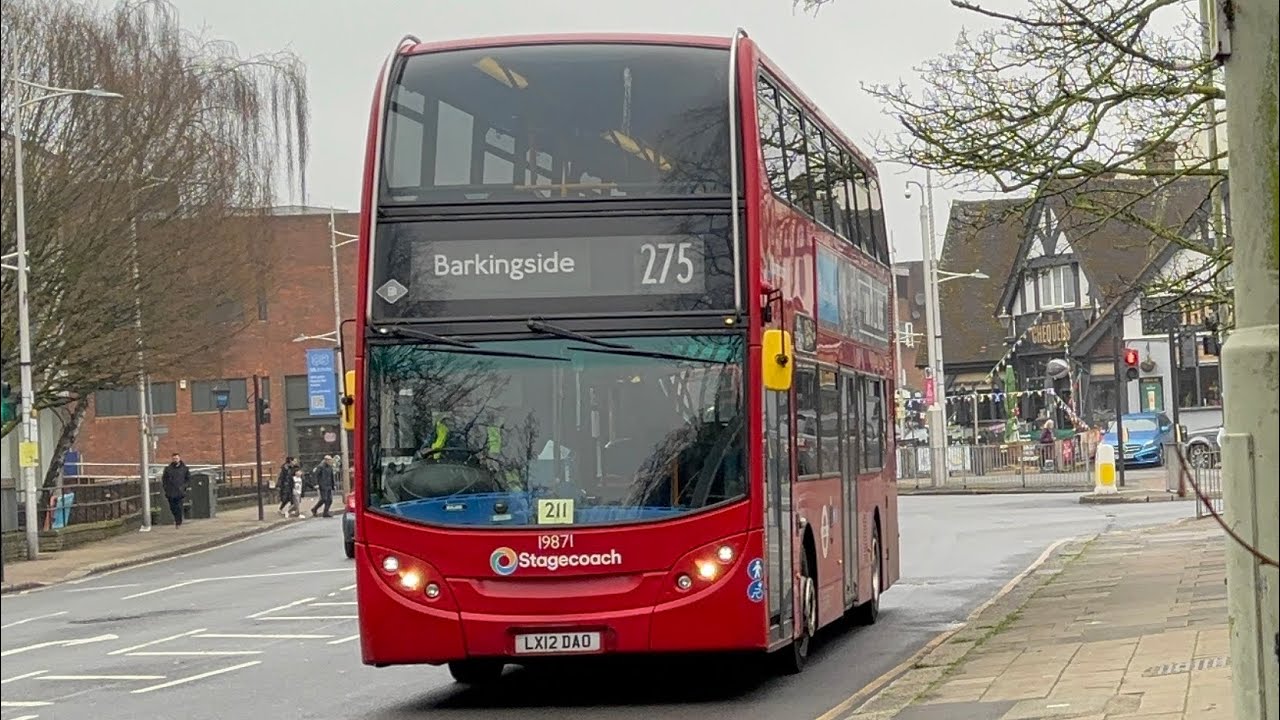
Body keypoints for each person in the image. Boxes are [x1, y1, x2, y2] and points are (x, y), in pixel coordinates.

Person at [161, 452, 191, 528]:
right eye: (174, 458)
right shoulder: (168, 469)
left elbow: (188, 479)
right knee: (172, 507)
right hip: (170, 491)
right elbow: (164, 479)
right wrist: (166, 488)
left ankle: (178, 521)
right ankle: (176, 519)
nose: (175, 460)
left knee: (179, 506)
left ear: (179, 459)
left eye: (176, 458)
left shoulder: (184, 469)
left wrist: (184, 487)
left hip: (180, 491)